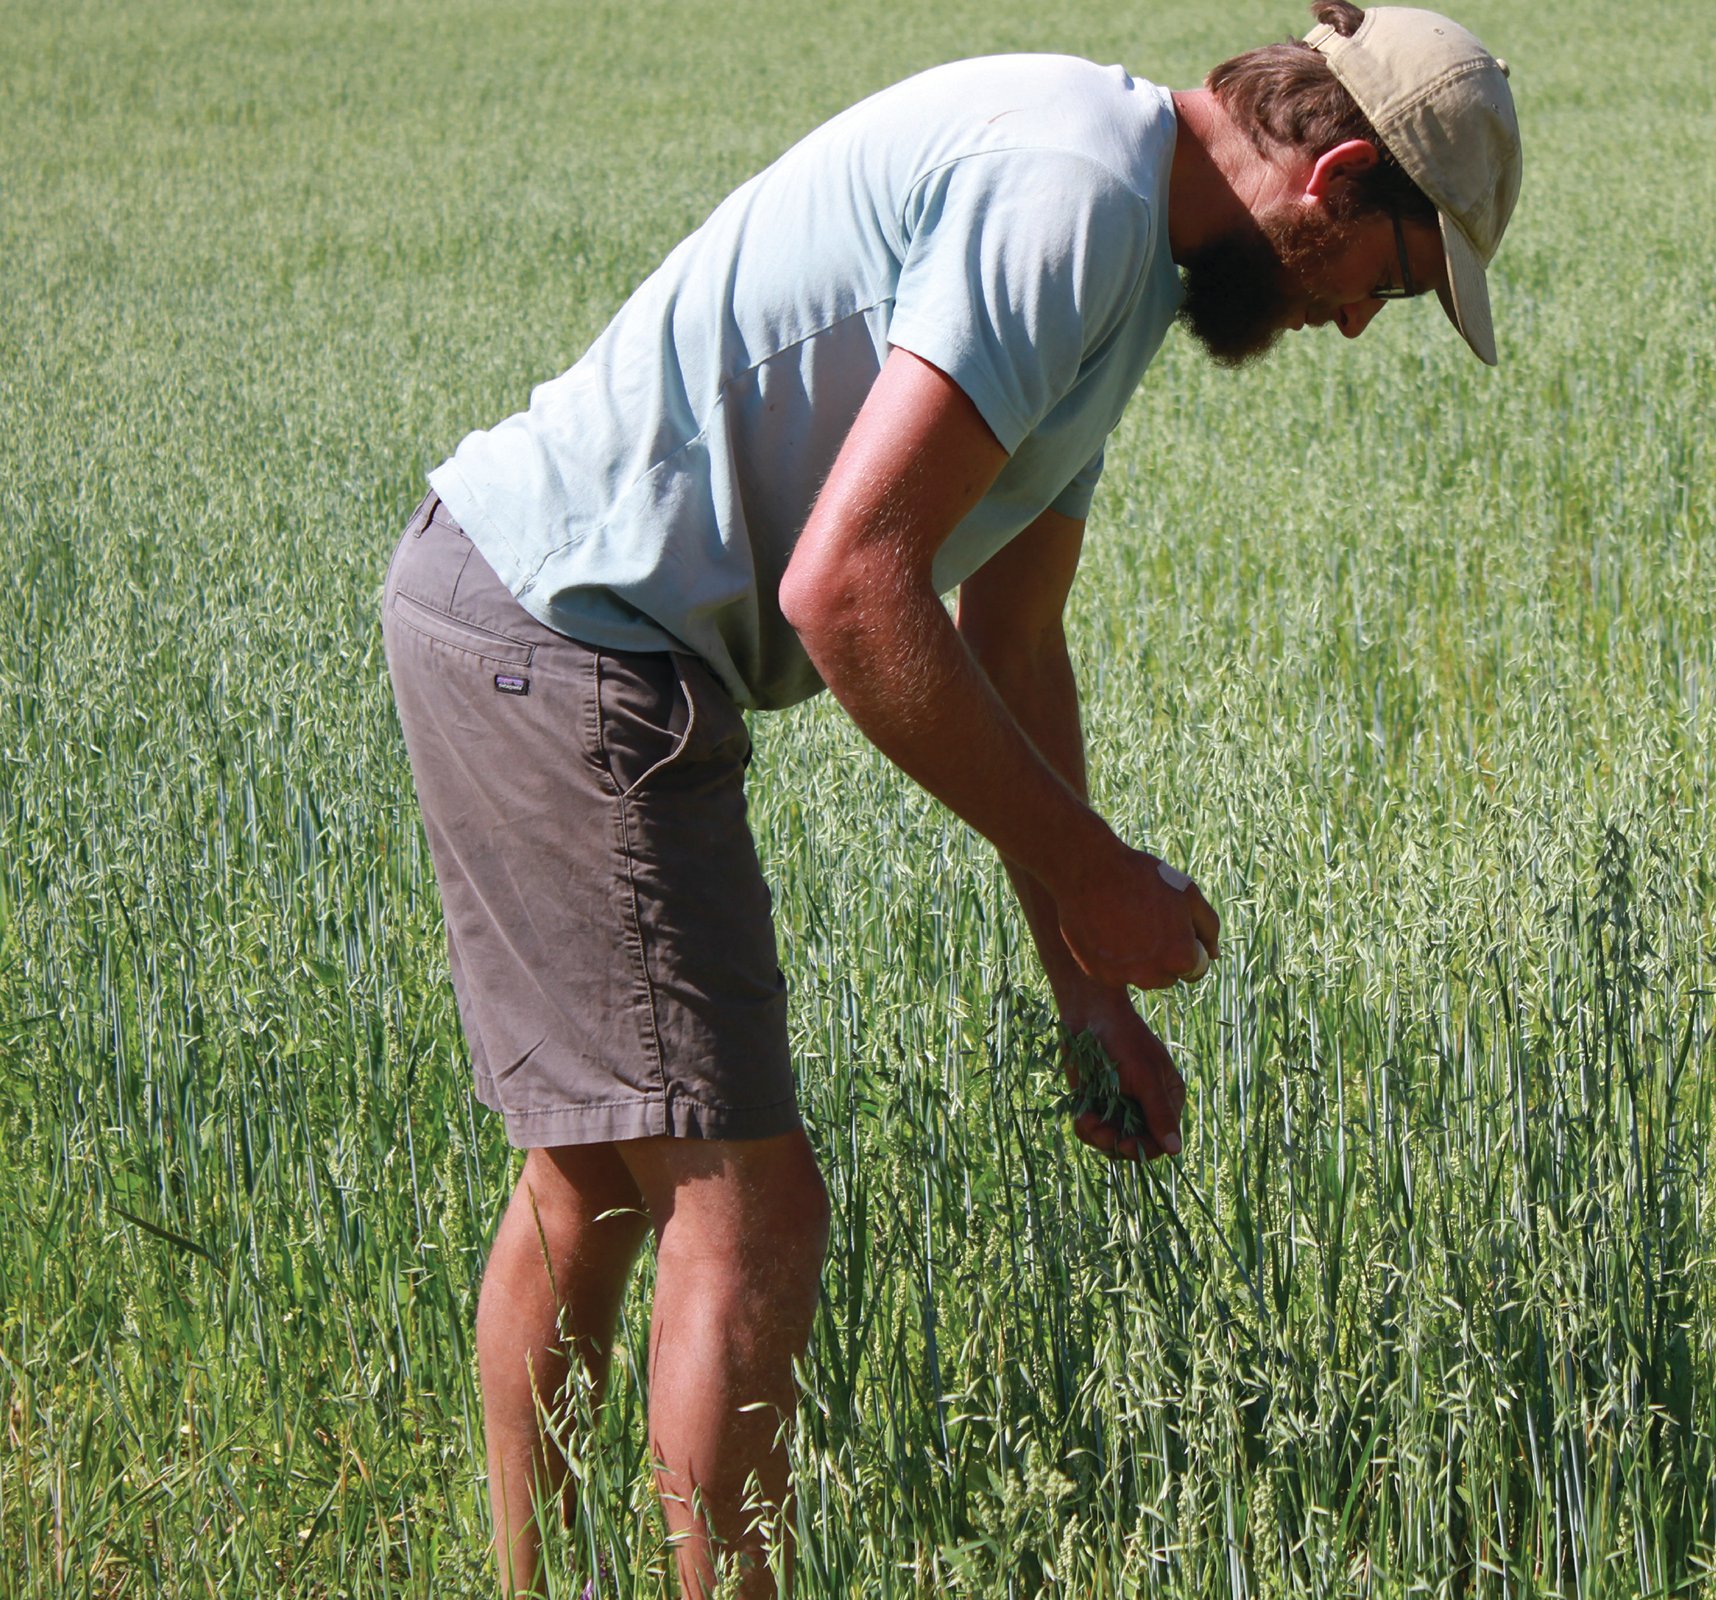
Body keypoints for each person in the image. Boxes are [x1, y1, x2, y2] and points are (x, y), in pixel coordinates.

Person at [382, 4, 1519, 1593]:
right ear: (1334, 177)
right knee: (751, 1210)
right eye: (1389, 283)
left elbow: (1013, 631)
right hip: (568, 638)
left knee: (597, 1174)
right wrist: (1100, 870)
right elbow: (850, 592)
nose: (1350, 328)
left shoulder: (1124, 250)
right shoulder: (1075, 199)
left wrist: (1084, 986)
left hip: (537, 615)